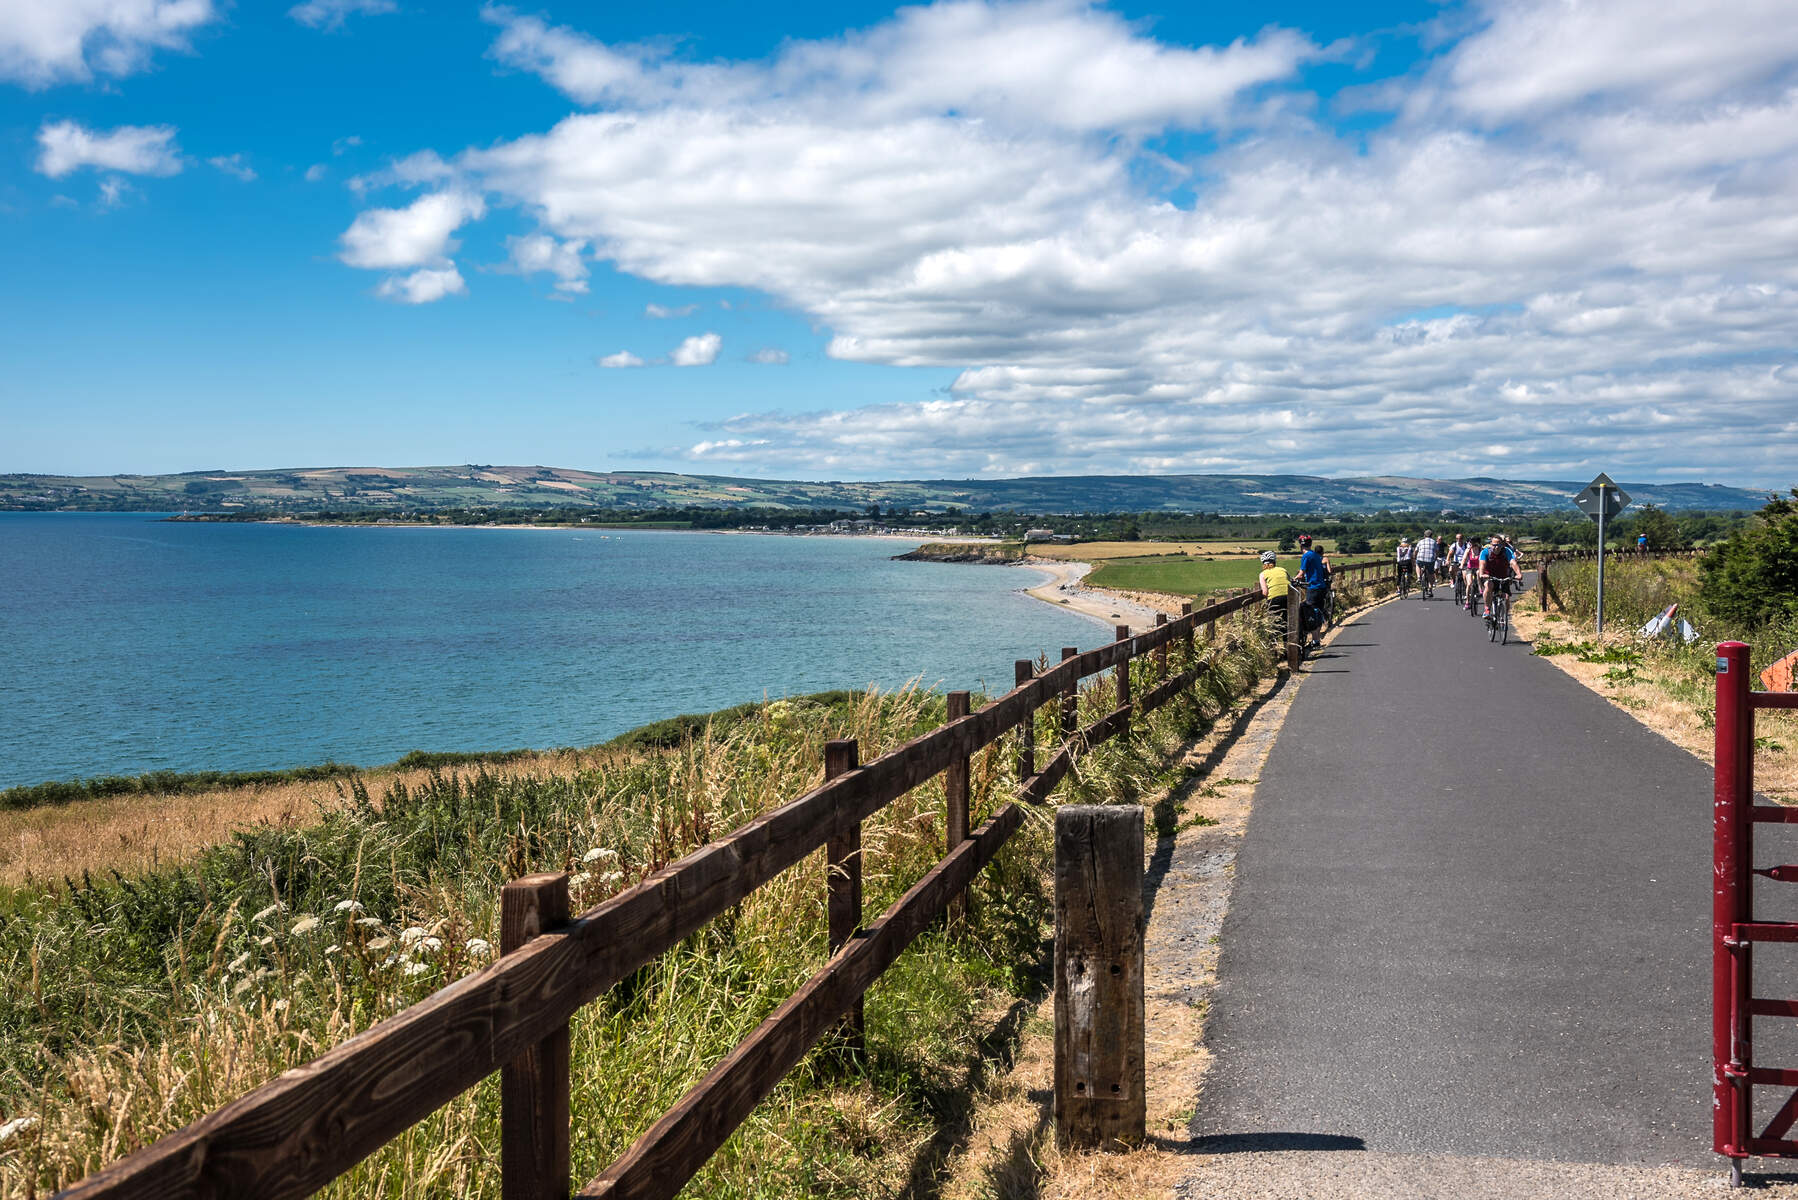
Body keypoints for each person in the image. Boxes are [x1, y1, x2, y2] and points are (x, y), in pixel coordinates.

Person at [1295, 534, 1332, 643]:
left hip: (1313, 587)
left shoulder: (1306, 556)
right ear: (1310, 544)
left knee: (1309, 612)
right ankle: (1316, 639)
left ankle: (1315, 640)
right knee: (1318, 611)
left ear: (1300, 546)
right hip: (1322, 587)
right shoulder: (1316, 555)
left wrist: (1292, 580)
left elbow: (1301, 574)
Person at [1478, 534, 1516, 619]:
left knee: (1506, 597)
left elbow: (1513, 562)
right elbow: (1482, 564)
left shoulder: (1506, 551)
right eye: (1494, 545)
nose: (1496, 547)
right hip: (1489, 576)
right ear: (1491, 545)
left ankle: (1504, 617)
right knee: (1489, 586)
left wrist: (1519, 574)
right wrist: (1481, 573)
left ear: (1502, 545)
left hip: (1503, 577)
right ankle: (1487, 609)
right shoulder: (1485, 552)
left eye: (1498, 545)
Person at [1258, 550, 1291, 640]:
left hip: (1274, 599)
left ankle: (1275, 643)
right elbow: (1291, 582)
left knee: (1274, 622)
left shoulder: (1262, 574)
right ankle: (1288, 640)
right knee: (1288, 619)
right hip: (1289, 597)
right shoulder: (1283, 570)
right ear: (1275, 562)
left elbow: (1265, 592)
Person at [1414, 529, 1439, 597]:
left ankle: (1419, 577)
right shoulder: (1434, 542)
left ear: (1424, 535)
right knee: (1431, 574)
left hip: (1420, 558)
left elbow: (1416, 551)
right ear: (1431, 536)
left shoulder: (1420, 541)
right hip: (1430, 560)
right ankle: (1430, 589)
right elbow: (1437, 551)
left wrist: (1415, 557)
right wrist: (1435, 557)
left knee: (1417, 565)